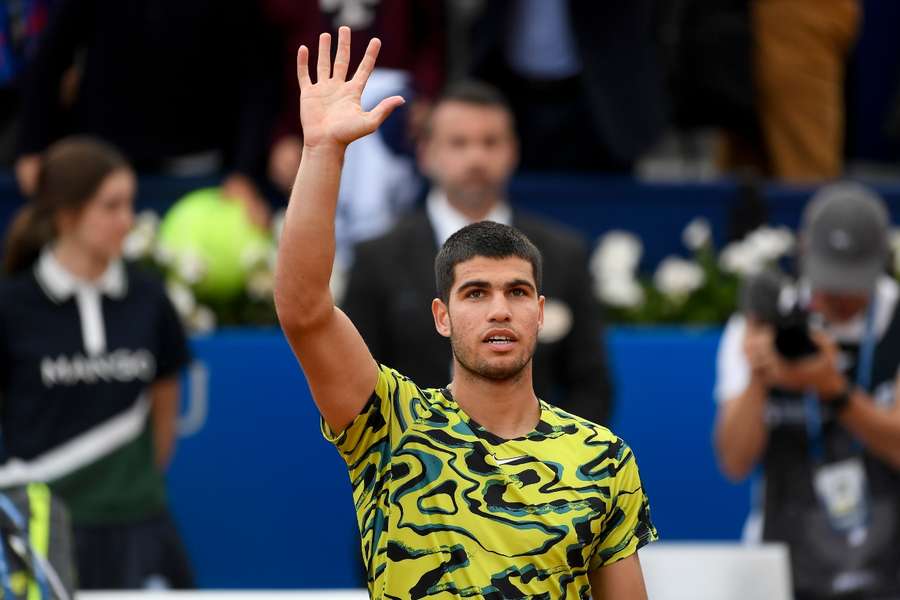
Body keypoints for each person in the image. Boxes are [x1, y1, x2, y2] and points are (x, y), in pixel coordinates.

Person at [274, 27, 656, 598]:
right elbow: (305, 310)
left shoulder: (603, 458)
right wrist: (323, 153)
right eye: (475, 293)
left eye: (517, 292)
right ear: (441, 315)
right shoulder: (391, 426)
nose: (499, 309)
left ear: (541, 312)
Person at [343, 81, 614, 425]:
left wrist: (544, 459)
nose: (476, 157)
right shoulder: (377, 259)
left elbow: (591, 384)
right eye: (459, 143)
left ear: (512, 151)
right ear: (426, 153)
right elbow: (358, 385)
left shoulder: (563, 254)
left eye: (490, 142)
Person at [0, 137, 193, 589]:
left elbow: (166, 408)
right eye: (111, 207)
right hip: (44, 526)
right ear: (66, 214)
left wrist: (133, 485)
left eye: (130, 204)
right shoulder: (12, 305)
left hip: (140, 525)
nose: (127, 220)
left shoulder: (149, 297)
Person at [714, 182, 900, 598]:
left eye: (854, 283)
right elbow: (734, 460)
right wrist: (760, 378)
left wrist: (831, 388)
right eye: (831, 281)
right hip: (784, 561)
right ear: (805, 255)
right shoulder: (761, 326)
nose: (841, 297)